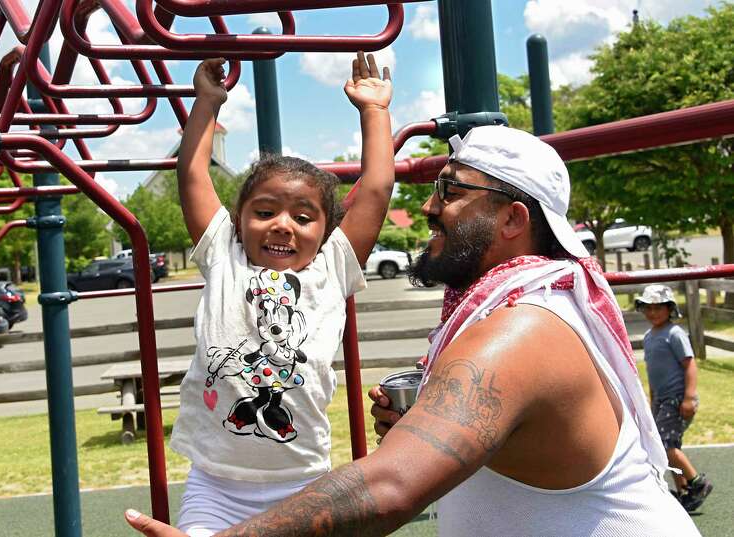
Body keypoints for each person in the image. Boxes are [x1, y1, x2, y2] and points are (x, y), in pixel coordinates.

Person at [125, 126, 701, 536]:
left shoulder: (525, 328)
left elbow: (391, 490)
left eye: (451, 190)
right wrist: (426, 422)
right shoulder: (509, 308)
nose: (428, 205)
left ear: (511, 219)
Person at [164, 52, 394, 536]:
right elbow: (193, 175)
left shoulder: (331, 268)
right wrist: (207, 103)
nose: (282, 226)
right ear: (239, 220)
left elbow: (375, 188)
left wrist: (374, 113)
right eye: (265, 211)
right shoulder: (223, 257)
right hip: (216, 484)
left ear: (327, 230)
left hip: (303, 481)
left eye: (303, 217)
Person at [637, 284, 713, 511]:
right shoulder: (650, 337)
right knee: (665, 446)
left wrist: (689, 397)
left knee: (666, 446)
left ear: (670, 309)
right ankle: (683, 492)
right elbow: (653, 371)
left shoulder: (675, 334)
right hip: (661, 399)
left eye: (658, 308)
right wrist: (652, 402)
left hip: (677, 398)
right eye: (648, 308)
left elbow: (690, 365)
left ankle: (698, 483)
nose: (652, 313)